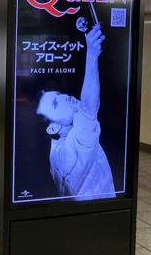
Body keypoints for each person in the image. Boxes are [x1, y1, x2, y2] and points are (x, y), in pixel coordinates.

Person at [36, 25, 115, 200]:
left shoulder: (58, 148)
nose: (65, 97)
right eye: (56, 104)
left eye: (59, 94)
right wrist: (92, 54)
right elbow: (88, 109)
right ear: (52, 128)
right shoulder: (71, 148)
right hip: (96, 216)